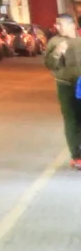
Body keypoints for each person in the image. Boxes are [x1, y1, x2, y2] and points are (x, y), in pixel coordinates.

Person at [48, 15, 81, 168]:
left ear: (72, 25)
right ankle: (76, 155)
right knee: (71, 119)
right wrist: (57, 53)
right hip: (65, 85)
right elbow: (48, 64)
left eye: (60, 24)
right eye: (56, 24)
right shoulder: (55, 42)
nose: (57, 27)